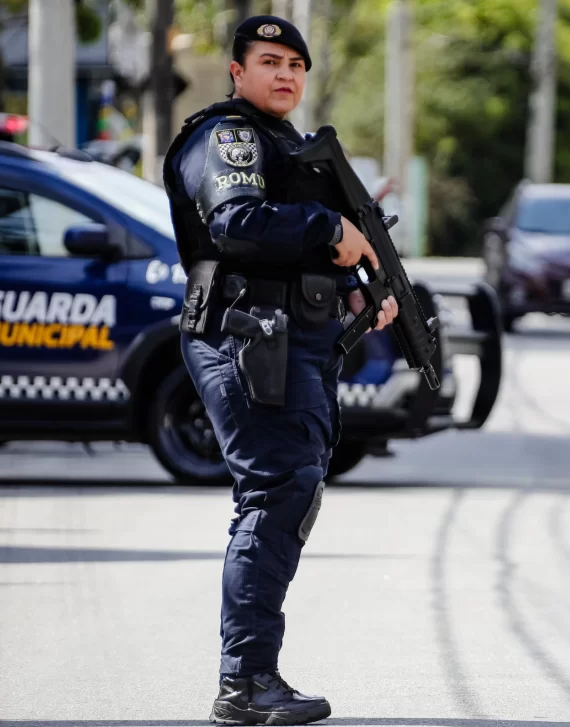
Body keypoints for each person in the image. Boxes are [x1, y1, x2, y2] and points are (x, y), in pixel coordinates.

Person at [161, 15, 398, 726]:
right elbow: (236, 222)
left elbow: (290, 248)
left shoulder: (290, 149)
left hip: (292, 336)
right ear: (237, 71)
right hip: (243, 334)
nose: (287, 74)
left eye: (297, 63)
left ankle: (254, 675)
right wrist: (332, 230)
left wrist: (356, 289)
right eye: (270, 61)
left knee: (291, 488)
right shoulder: (227, 138)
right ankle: (246, 682)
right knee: (274, 492)